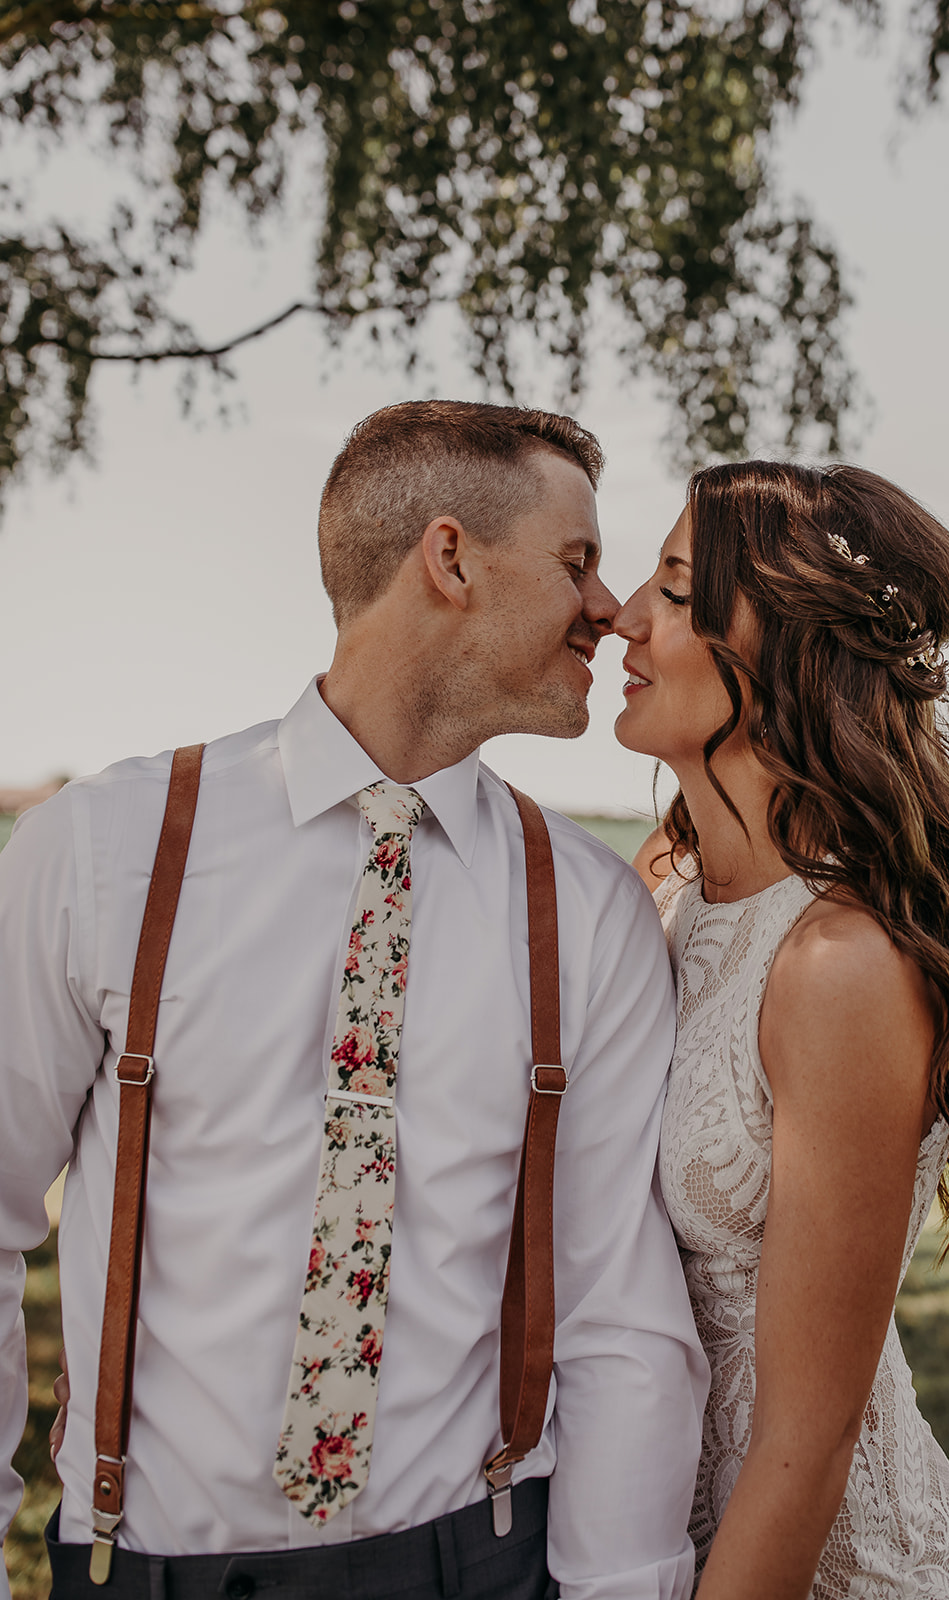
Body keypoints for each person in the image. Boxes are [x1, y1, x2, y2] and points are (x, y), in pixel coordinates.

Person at [0, 400, 708, 1600]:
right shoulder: (106, 849)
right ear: (449, 560)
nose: (609, 607)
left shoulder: (584, 910)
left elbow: (615, 1316)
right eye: (577, 563)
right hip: (149, 1571)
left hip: (473, 1567)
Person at [613, 460, 949, 1599]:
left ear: (781, 650)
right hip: (654, 1539)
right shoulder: (661, 886)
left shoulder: (838, 965)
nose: (620, 615)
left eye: (670, 588)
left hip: (822, 1562)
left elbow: (809, 1445)